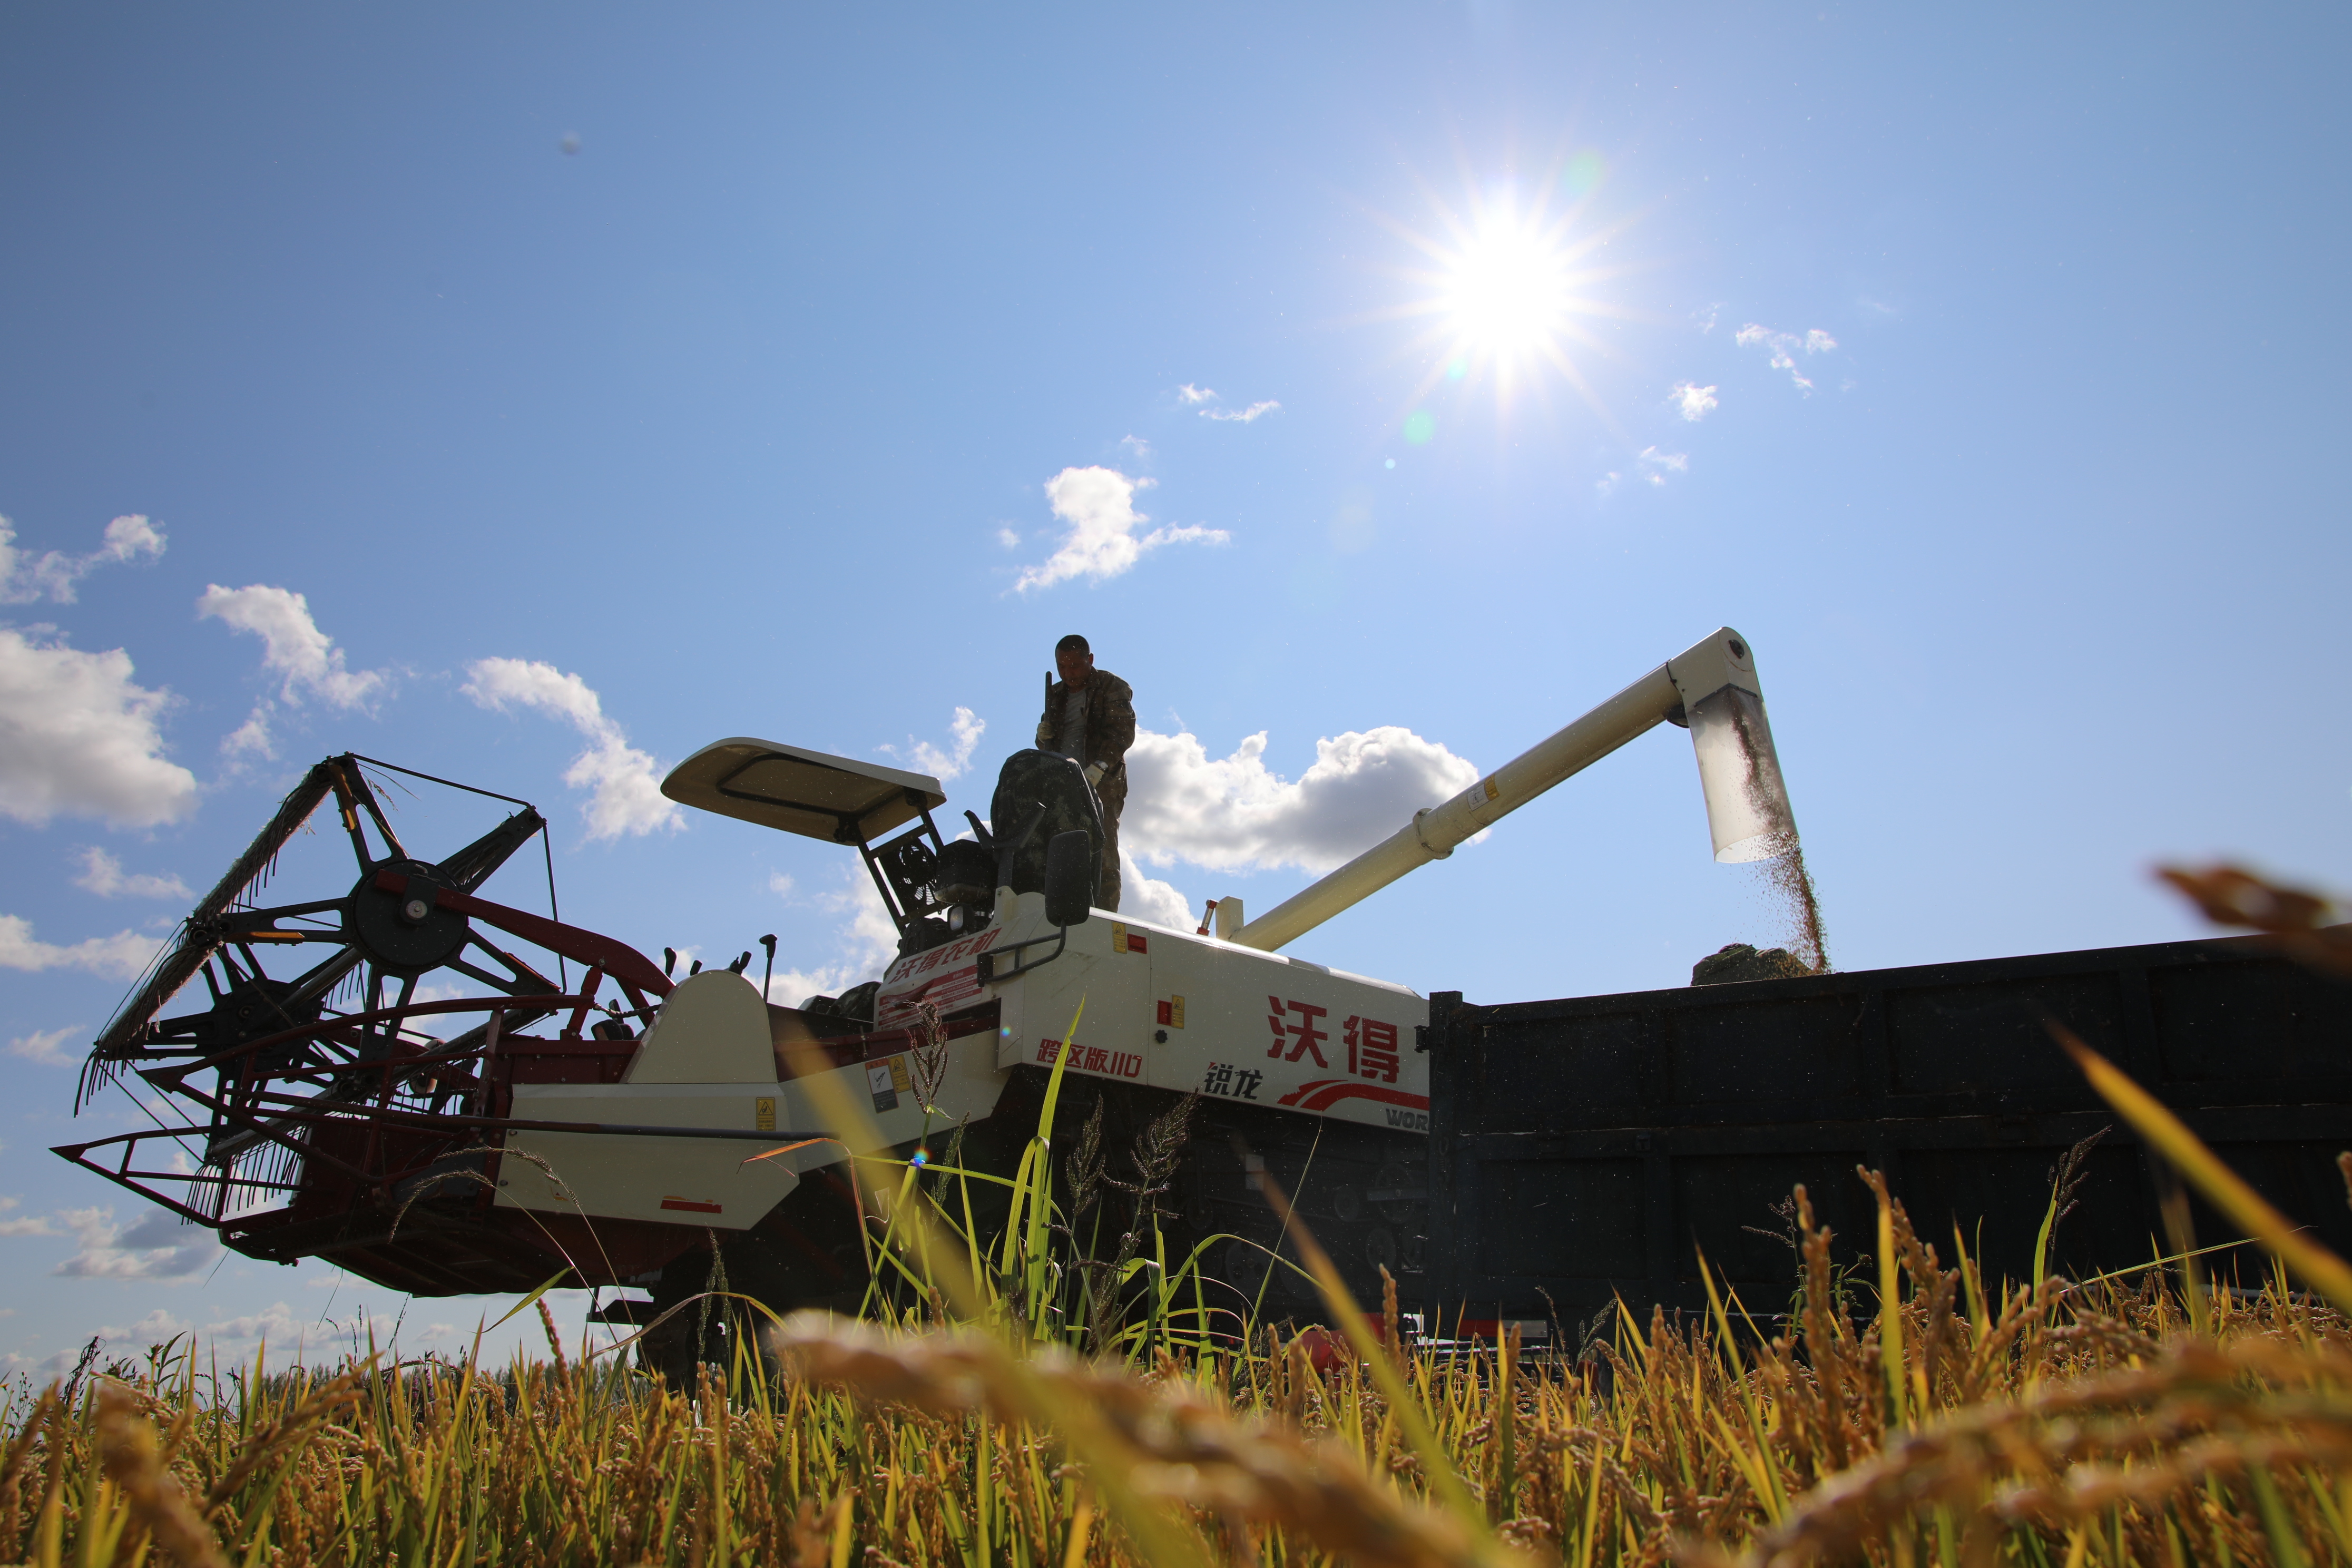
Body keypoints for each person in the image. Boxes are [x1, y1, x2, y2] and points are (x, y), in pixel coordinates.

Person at [1034, 634, 1134, 912]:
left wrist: (1099, 767)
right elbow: (1046, 744)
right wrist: (1042, 736)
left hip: (1101, 783)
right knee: (1058, 851)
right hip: (1062, 785)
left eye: (1075, 666)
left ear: (1090, 660)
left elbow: (1122, 732)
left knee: (1102, 852)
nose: (1068, 673)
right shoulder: (1054, 695)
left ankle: (1104, 918)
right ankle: (1062, 914)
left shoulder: (1112, 687)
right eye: (1062, 667)